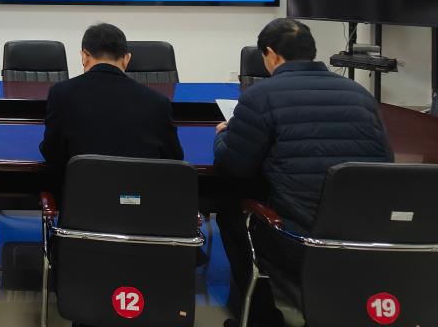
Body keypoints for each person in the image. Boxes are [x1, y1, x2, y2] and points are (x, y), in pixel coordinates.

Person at [214, 18, 393, 327]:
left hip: (298, 240)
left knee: (229, 210)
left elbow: (234, 165)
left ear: (271, 55)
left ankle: (261, 318)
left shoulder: (260, 96)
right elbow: (385, 164)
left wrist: (225, 133)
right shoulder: (360, 95)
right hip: (364, 235)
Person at [40, 23, 184, 181]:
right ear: (127, 59)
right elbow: (174, 159)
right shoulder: (158, 102)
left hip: (83, 194)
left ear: (84, 56)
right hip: (140, 194)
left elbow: (52, 154)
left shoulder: (60, 94)